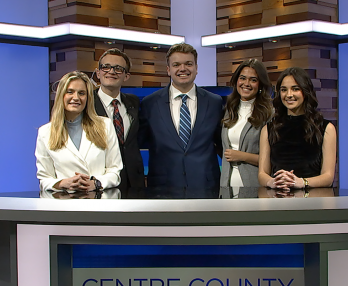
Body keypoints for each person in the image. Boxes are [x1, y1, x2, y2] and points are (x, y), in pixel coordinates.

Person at [139, 43, 223, 189]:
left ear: (196, 68)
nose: (182, 69)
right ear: (168, 70)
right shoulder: (150, 103)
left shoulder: (214, 102)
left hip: (206, 187)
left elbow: (222, 144)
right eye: (176, 64)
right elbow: (137, 143)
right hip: (163, 189)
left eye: (188, 64)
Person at [35, 71, 122, 192]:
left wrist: (95, 183)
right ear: (61, 95)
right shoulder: (45, 132)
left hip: (98, 202)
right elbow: (44, 178)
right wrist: (62, 183)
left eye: (82, 93)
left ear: (88, 98)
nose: (76, 98)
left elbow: (115, 171)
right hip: (64, 204)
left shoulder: (105, 125)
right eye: (70, 92)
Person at [258, 67, 337, 190]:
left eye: (295, 89)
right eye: (284, 90)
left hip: (313, 200)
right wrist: (272, 182)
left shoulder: (326, 128)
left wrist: (301, 182)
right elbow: (262, 174)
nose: (289, 95)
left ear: (305, 91)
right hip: (278, 200)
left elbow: (328, 177)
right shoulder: (269, 129)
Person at [93, 48, 145, 189]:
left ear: (126, 76)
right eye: (106, 67)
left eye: (118, 68)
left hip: (134, 181)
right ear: (98, 73)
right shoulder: (87, 104)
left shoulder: (133, 102)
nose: (111, 71)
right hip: (102, 181)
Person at [220, 59, 273, 191]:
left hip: (254, 187)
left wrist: (242, 156)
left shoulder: (269, 114)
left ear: (260, 84)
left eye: (253, 80)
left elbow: (274, 159)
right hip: (226, 186)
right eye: (242, 78)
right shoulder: (229, 110)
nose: (246, 84)